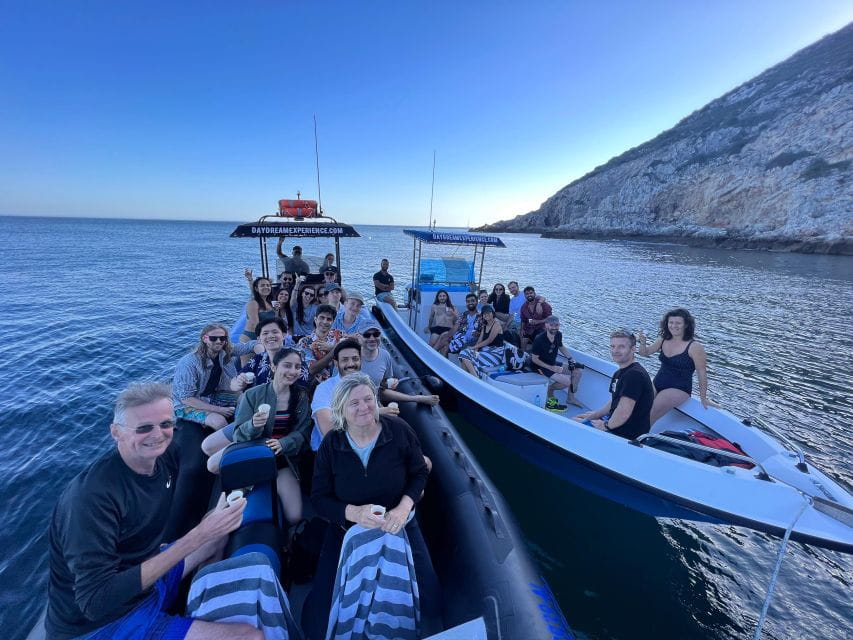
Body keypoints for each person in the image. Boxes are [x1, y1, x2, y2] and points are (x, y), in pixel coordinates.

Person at [45, 382, 259, 640]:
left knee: (218, 537)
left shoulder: (164, 459)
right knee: (250, 637)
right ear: (116, 432)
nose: (157, 435)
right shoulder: (92, 498)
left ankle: (198, 610)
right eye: (144, 428)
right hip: (106, 624)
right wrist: (199, 534)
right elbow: (95, 602)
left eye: (165, 424)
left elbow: (204, 447)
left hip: (146, 582)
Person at [302, 374, 441, 639]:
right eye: (354, 403)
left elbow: (419, 473)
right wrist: (354, 513)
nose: (364, 407)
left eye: (368, 399)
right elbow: (319, 498)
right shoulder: (332, 444)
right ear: (341, 409)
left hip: (399, 524)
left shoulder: (398, 430)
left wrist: (403, 508)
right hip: (347, 530)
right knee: (319, 622)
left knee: (431, 602)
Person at [203, 348, 312, 525]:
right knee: (213, 466)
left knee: (294, 516)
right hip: (253, 450)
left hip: (281, 456)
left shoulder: (301, 397)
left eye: (297, 367)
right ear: (274, 367)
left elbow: (304, 431)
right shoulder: (252, 395)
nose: (293, 371)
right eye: (287, 365)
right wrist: (253, 425)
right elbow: (239, 434)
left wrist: (284, 443)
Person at [173, 324, 260, 429]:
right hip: (186, 405)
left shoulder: (224, 352)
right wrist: (219, 410)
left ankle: (243, 429)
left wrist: (263, 353)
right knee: (219, 421)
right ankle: (230, 438)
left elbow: (249, 346)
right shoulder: (189, 363)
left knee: (245, 398)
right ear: (204, 339)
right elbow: (186, 398)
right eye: (213, 338)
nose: (219, 341)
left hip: (212, 396)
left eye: (222, 338)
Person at [574, 330, 654, 439]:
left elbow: (624, 413)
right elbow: (615, 400)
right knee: (579, 418)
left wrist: (605, 425)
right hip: (616, 423)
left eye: (621, 347)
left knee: (573, 424)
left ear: (633, 349)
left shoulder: (634, 375)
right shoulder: (620, 372)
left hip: (626, 433)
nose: (615, 351)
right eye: (612, 346)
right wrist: (596, 414)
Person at [638, 308, 710, 424]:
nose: (674, 326)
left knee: (651, 414)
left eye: (678, 323)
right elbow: (644, 353)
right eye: (671, 322)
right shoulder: (663, 340)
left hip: (679, 388)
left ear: (686, 325)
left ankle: (635, 435)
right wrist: (642, 342)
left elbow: (701, 373)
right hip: (657, 383)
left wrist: (703, 397)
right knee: (639, 408)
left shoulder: (695, 347)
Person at [529, 315, 583, 409]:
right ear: (546, 325)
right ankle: (550, 389)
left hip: (552, 362)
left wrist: (570, 359)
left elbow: (561, 346)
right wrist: (552, 368)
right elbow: (534, 359)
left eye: (557, 325)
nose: (554, 327)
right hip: (539, 366)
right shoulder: (539, 339)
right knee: (568, 382)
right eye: (552, 325)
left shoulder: (558, 335)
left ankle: (570, 398)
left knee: (578, 371)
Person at [232, 317, 291, 391]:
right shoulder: (258, 359)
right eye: (265, 333)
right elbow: (234, 384)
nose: (270, 336)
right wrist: (239, 384)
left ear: (284, 335)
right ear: (259, 339)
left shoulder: (295, 358)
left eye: (275, 332)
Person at [459, 304, 505, 377]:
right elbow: (479, 341)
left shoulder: (496, 324)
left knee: (464, 354)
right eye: (484, 313)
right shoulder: (485, 326)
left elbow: (489, 340)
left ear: (493, 313)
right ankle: (467, 378)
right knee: (464, 356)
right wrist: (475, 351)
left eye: (488, 312)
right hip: (486, 351)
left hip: (496, 354)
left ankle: (475, 378)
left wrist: (473, 347)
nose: (486, 314)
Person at [297, 304, 341, 380]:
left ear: (333, 322)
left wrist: (332, 347)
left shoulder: (339, 335)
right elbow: (311, 370)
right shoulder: (305, 342)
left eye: (329, 319)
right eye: (322, 318)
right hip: (315, 383)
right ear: (315, 319)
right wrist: (334, 350)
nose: (325, 322)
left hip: (339, 381)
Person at [437, 292, 480, 357]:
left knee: (445, 346)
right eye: (468, 301)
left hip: (471, 341)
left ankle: (432, 353)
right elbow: (455, 327)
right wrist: (448, 336)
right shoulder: (464, 315)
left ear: (477, 302)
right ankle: (434, 354)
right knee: (444, 338)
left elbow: (483, 332)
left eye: (472, 301)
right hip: (460, 338)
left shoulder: (481, 316)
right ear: (466, 303)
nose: (470, 303)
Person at [359, 321, 398, 387]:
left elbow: (384, 381)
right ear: (359, 336)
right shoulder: (352, 356)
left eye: (376, 334)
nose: (372, 339)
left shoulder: (385, 355)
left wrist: (392, 383)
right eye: (366, 335)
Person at [241, 277, 275, 346]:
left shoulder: (269, 302)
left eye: (268, 285)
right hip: (252, 337)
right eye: (262, 285)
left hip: (265, 335)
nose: (266, 287)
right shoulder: (253, 303)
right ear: (256, 289)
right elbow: (256, 325)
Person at [520, 286, 552, 351]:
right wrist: (522, 329)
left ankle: (536, 353)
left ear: (534, 293)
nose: (529, 295)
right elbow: (523, 320)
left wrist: (538, 321)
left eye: (531, 293)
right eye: (527, 294)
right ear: (525, 296)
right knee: (523, 338)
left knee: (538, 338)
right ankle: (523, 352)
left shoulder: (543, 304)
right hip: (529, 328)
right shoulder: (523, 307)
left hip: (541, 328)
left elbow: (550, 318)